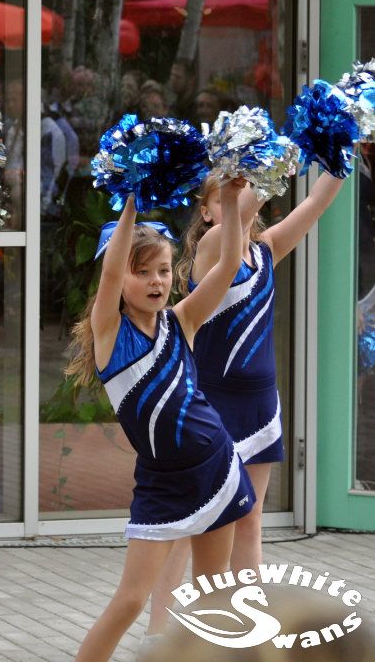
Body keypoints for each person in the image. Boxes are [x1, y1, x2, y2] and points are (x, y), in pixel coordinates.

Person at [143, 170, 346, 644]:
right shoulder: (213, 246)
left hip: (260, 406)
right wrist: (276, 160)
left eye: (238, 192)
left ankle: (246, 634)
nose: (235, 201)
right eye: (223, 198)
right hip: (210, 404)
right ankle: (160, 635)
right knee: (189, 523)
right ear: (206, 211)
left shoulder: (268, 249)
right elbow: (245, 208)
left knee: (250, 521)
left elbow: (315, 204)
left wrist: (338, 149)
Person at [66, 184, 255, 662]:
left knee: (213, 595)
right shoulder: (111, 333)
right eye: (143, 271)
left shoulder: (182, 320)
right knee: (130, 601)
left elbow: (228, 266)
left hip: (217, 470)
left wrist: (232, 202)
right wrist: (131, 198)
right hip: (162, 485)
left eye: (164, 270)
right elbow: (111, 271)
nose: (156, 281)